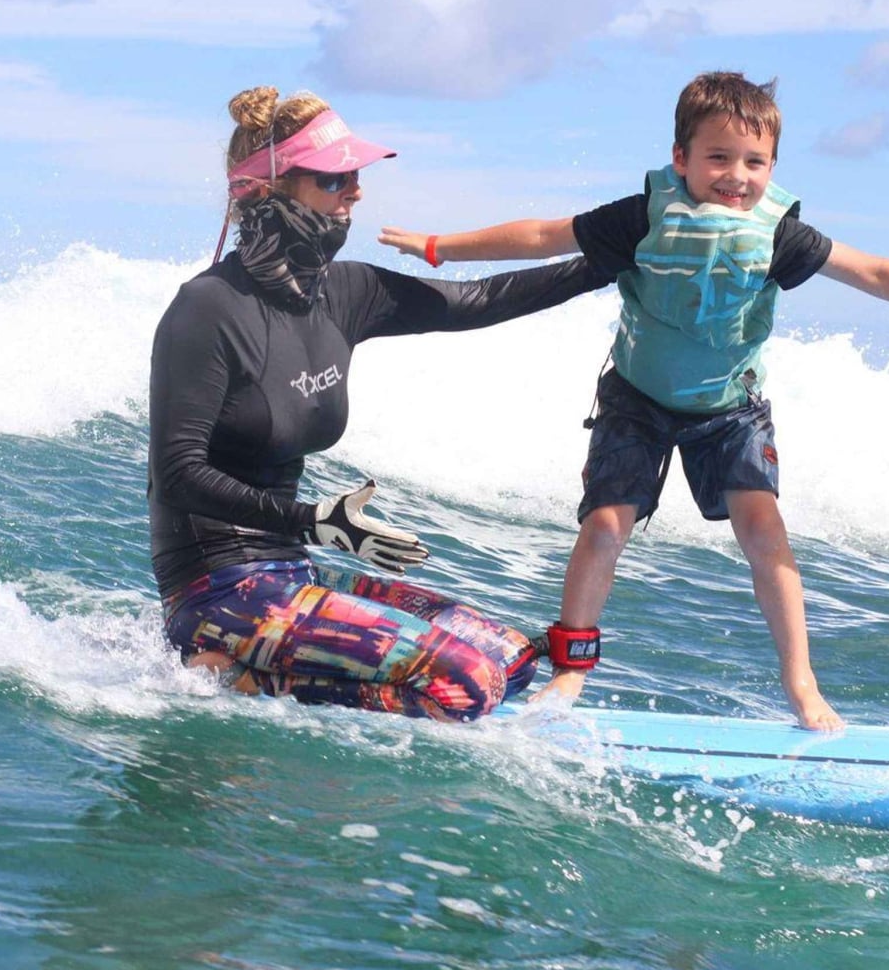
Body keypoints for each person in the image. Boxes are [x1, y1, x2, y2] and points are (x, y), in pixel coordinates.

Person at [379, 71, 889, 731]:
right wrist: (441, 247)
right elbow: (543, 236)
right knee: (606, 525)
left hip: (731, 408)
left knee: (764, 531)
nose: (737, 175)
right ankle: (572, 668)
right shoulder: (644, 216)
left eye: (755, 162)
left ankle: (801, 682)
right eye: (719, 157)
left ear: (773, 166)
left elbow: (874, 271)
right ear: (681, 157)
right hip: (637, 398)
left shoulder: (779, 233)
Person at [149, 85, 611, 722]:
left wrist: (608, 262)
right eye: (333, 178)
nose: (355, 192)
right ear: (270, 188)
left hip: (293, 572)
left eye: (355, 176)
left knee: (510, 659)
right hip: (216, 590)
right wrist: (312, 519)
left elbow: (475, 302)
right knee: (466, 685)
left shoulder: (343, 292)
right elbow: (177, 473)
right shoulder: (207, 308)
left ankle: (251, 669)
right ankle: (233, 674)